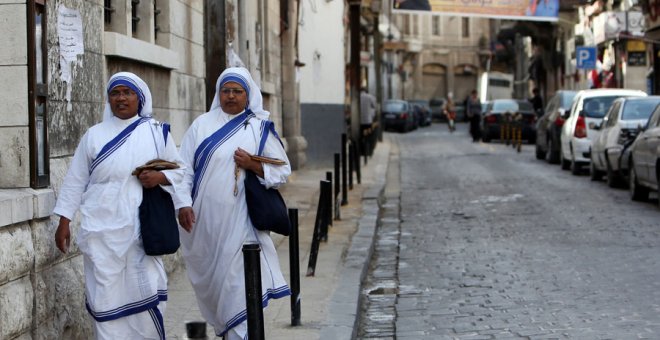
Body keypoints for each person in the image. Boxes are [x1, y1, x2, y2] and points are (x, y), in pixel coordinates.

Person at [53, 72, 185, 339]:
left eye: (127, 93)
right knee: (105, 301)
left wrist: (160, 177)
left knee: (145, 294)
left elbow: (182, 172)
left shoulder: (157, 133)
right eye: (115, 93)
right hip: (100, 233)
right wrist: (64, 220)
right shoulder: (93, 136)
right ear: (109, 99)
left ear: (139, 98)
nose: (121, 98)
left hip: (140, 232)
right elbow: (75, 179)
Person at [176, 67, 291, 339]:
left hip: (242, 223)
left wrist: (253, 165)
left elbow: (283, 170)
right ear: (218, 93)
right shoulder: (201, 125)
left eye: (237, 91)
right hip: (205, 225)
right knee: (217, 290)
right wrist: (183, 204)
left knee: (238, 285)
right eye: (225, 91)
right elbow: (183, 170)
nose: (230, 96)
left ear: (247, 94)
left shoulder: (259, 127)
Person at [360, 87, 377, 155]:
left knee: (361, 136)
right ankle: (369, 151)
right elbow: (374, 106)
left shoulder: (357, 97)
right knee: (369, 136)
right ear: (366, 91)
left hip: (360, 122)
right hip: (368, 121)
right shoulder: (370, 97)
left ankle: (362, 151)